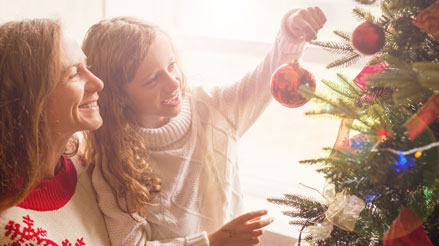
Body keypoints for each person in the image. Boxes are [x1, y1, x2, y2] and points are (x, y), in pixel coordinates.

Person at [83, 6, 326, 246]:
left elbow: (265, 78)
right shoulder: (112, 163)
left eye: (171, 65)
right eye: (152, 79)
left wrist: (291, 34)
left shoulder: (211, 109)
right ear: (118, 96)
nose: (172, 83)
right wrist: (212, 242)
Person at [0, 18, 109, 245]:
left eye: (86, 67)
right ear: (31, 99)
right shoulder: (7, 228)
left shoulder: (87, 162)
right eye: (74, 73)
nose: (98, 83)